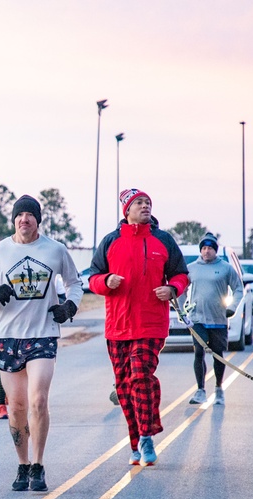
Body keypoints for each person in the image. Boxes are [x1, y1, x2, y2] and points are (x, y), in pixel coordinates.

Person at [0, 195, 83, 492]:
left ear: (38, 220)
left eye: (30, 215)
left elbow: (75, 283)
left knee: (38, 400)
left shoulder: (55, 249)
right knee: (17, 406)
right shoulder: (0, 251)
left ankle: (38, 464)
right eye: (19, 215)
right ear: (13, 220)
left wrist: (69, 307)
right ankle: (22, 465)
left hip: (43, 333)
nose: (24, 219)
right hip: (9, 335)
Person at [87, 189, 189, 467]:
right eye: (139, 203)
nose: (145, 207)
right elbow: (92, 276)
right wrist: (105, 281)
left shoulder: (163, 240)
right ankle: (136, 441)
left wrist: (172, 287)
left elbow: (181, 274)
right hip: (117, 325)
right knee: (123, 386)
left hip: (151, 323)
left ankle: (146, 434)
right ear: (126, 210)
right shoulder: (110, 241)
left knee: (140, 374)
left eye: (148, 203)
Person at [184, 233, 243, 406]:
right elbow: (180, 289)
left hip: (218, 318)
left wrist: (232, 307)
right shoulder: (192, 268)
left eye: (210, 248)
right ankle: (200, 390)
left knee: (218, 355)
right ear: (200, 250)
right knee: (199, 352)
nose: (206, 251)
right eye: (203, 248)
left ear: (215, 250)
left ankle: (218, 388)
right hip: (197, 319)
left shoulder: (225, 268)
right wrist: (182, 311)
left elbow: (238, 289)